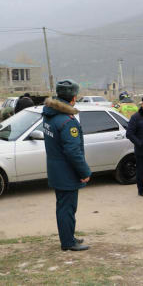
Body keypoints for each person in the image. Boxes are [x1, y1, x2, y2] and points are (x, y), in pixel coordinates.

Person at [43, 79, 91, 252]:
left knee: (63, 206)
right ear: (73, 97)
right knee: (67, 208)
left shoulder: (50, 114)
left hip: (56, 170)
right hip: (66, 172)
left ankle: (68, 236)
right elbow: (73, 151)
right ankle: (68, 242)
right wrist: (85, 171)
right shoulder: (67, 121)